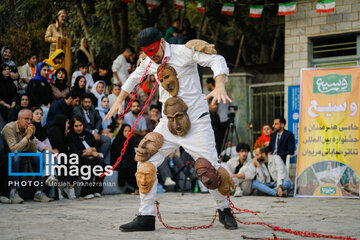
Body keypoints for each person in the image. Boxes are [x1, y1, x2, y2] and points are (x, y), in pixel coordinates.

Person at [105, 27, 236, 231]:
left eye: (154, 51)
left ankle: (224, 209)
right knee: (145, 160)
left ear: (162, 42)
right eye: (147, 53)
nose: (153, 57)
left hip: (197, 123)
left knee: (209, 170)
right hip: (167, 124)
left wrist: (219, 84)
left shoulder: (183, 51)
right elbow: (133, 78)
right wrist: (120, 100)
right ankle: (146, 216)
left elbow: (216, 60)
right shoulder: (149, 61)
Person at [1, 109, 52, 203]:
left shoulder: (28, 129)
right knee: (16, 157)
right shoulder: (9, 128)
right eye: (26, 119)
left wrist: (32, 137)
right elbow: (14, 150)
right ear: (19, 119)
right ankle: (13, 191)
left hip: (23, 155)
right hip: (7, 157)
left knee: (38, 157)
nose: (29, 122)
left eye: (30, 119)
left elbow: (32, 151)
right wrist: (27, 137)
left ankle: (38, 191)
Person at [68, 116, 106, 199]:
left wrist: (92, 150)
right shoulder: (70, 136)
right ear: (72, 126)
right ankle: (85, 192)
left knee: (102, 165)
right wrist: (90, 152)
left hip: (91, 156)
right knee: (89, 165)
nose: (79, 128)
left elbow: (96, 146)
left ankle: (97, 190)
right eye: (76, 126)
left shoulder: (87, 134)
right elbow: (75, 151)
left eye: (80, 125)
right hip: (78, 158)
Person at [73, 93, 111, 164]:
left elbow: (99, 119)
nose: (87, 104)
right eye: (85, 102)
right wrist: (92, 132)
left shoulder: (92, 108)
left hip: (94, 132)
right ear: (81, 102)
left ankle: (100, 159)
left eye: (89, 102)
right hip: (83, 132)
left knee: (107, 140)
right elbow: (79, 125)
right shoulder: (77, 110)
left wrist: (96, 130)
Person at [46, 115, 76, 200]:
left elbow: (67, 147)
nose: (68, 125)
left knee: (75, 161)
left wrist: (66, 135)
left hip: (61, 155)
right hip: (52, 156)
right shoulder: (54, 131)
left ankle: (70, 188)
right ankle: (57, 189)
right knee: (62, 161)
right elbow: (61, 147)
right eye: (67, 123)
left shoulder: (63, 132)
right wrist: (65, 147)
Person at [32, 107, 58, 187]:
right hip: (33, 153)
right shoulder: (30, 127)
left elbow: (47, 143)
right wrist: (50, 150)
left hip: (44, 154)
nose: (39, 116)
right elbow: (36, 142)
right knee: (49, 155)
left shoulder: (42, 129)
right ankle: (50, 177)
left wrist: (53, 153)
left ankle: (50, 177)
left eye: (41, 114)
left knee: (53, 157)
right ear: (31, 115)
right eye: (37, 114)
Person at [111, 124, 138, 194]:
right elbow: (119, 156)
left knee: (135, 166)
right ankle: (133, 188)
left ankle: (134, 188)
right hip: (118, 162)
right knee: (131, 168)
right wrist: (132, 159)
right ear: (121, 131)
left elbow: (132, 154)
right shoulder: (117, 141)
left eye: (129, 131)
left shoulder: (131, 140)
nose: (127, 133)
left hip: (128, 161)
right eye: (125, 131)